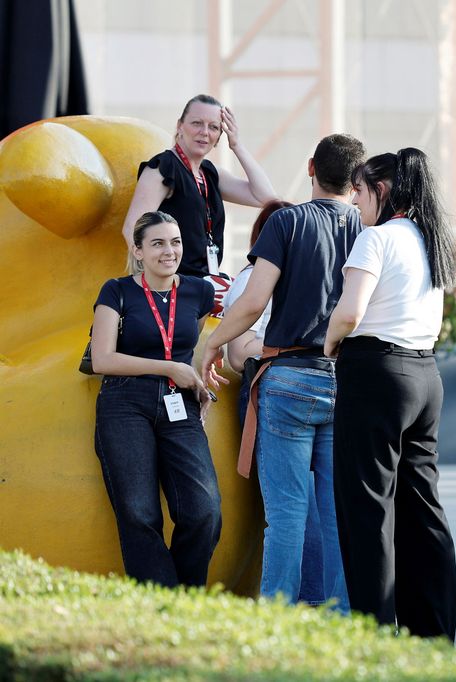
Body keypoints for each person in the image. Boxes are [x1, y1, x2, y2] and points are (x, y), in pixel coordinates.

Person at [200, 133, 366, 607]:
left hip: (287, 377)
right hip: (345, 380)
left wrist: (214, 342)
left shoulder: (287, 223)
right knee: (338, 514)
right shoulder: (368, 229)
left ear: (311, 167)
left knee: (288, 513)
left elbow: (253, 301)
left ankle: (277, 620)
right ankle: (342, 620)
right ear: (357, 181)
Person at [324, 147, 456, 641]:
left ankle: (376, 634)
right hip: (424, 375)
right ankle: (434, 634)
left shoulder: (375, 239)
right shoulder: (430, 241)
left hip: (375, 371)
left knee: (367, 510)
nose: (354, 200)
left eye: (359, 190)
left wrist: (330, 344)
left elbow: (348, 312)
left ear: (382, 190)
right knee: (423, 507)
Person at [91, 211, 220, 587]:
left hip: (180, 402)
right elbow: (103, 358)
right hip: (125, 402)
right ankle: (161, 604)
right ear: (138, 250)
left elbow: (191, 346)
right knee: (138, 512)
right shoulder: (116, 290)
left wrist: (199, 373)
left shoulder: (199, 291)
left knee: (204, 511)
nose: (169, 251)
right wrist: (168, 368)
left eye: (175, 241)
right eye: (158, 243)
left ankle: (181, 598)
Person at [221, 199, 334, 608]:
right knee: (302, 508)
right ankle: (323, 607)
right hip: (280, 387)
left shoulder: (300, 279)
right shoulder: (255, 280)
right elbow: (239, 352)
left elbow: (242, 347)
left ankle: (295, 607)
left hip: (285, 383)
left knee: (300, 509)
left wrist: (266, 346)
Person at [122, 94, 275, 278]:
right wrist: (161, 280)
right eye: (196, 123)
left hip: (208, 281)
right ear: (180, 125)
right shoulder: (164, 167)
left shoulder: (210, 173)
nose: (204, 132)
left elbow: (266, 198)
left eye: (213, 127)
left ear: (220, 135)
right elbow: (132, 228)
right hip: (177, 285)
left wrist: (237, 145)